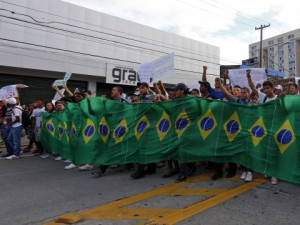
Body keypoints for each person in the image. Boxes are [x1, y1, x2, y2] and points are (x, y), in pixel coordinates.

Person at [247, 69, 279, 185]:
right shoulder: (263, 97)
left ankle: (274, 174)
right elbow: (252, 87)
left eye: (268, 88)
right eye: (264, 88)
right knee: (263, 150)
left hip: (274, 128)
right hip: (263, 128)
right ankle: (266, 171)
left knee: (272, 151)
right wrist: (248, 76)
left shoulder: (277, 98)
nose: (265, 90)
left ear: (273, 89)